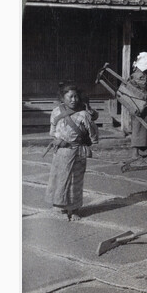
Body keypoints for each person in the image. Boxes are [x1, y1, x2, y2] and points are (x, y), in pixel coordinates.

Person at [45, 82, 99, 221]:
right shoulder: (56, 112)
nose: (74, 100)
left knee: (75, 181)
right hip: (61, 151)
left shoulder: (83, 114)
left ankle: (74, 210)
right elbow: (52, 131)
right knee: (60, 179)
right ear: (62, 98)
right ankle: (61, 206)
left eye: (76, 96)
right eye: (70, 97)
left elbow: (94, 135)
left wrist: (82, 142)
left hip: (77, 152)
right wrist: (59, 139)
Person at [128, 52, 147, 159]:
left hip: (135, 103)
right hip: (140, 103)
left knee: (140, 125)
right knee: (139, 126)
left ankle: (139, 150)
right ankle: (135, 152)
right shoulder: (141, 76)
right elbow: (144, 90)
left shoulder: (134, 74)